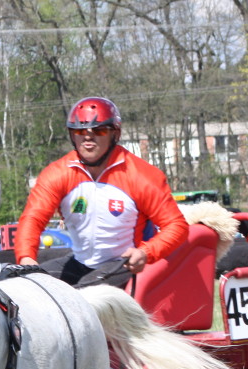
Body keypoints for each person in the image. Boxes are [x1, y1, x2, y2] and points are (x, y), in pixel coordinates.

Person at [15, 96, 189, 287]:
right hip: (79, 263)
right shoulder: (56, 174)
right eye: (80, 130)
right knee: (25, 286)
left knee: (84, 297)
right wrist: (26, 258)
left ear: (115, 134)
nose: (88, 136)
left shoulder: (142, 176)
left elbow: (176, 225)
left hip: (122, 265)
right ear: (72, 135)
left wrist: (145, 252)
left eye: (99, 130)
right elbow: (33, 219)